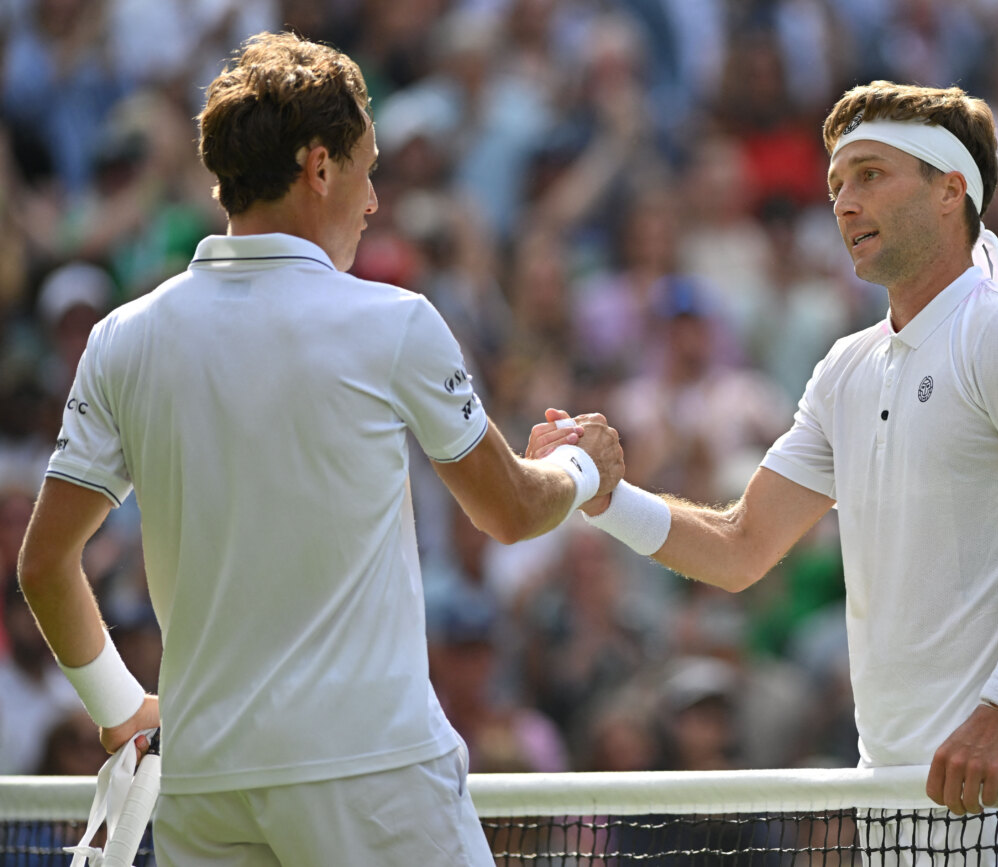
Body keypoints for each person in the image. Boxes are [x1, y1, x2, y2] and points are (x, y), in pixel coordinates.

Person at [16, 31, 622, 866]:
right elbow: (513, 510)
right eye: (367, 168)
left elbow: (45, 564)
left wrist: (120, 705)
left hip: (207, 786)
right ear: (319, 166)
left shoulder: (122, 338)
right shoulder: (396, 321)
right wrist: (583, 467)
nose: (374, 200)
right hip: (374, 777)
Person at [531, 80, 998, 825]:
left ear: (951, 191)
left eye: (871, 175)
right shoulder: (846, 368)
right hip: (892, 800)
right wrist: (607, 497)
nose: (844, 202)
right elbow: (740, 545)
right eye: (837, 184)